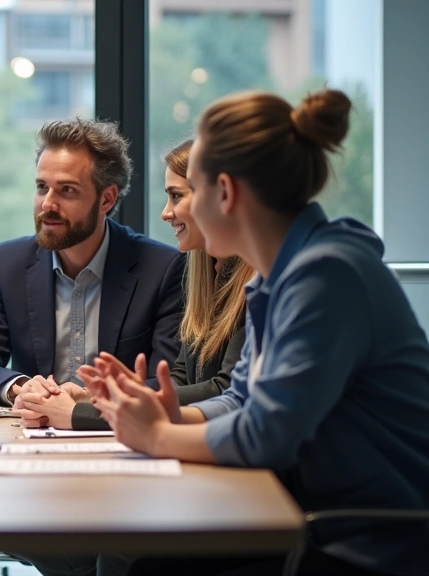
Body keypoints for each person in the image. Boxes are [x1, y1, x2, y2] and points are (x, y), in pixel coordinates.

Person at [89, 89, 429, 576]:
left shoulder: (326, 275)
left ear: (225, 193)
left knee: (137, 559)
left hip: (360, 541)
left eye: (191, 192)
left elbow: (267, 434)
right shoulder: (277, 280)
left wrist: (160, 437)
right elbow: (241, 400)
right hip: (306, 514)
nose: (174, 212)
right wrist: (174, 416)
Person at [0, 118, 183, 576]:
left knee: (108, 548)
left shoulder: (163, 268)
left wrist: (83, 399)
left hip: (121, 455)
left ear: (107, 199)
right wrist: (19, 388)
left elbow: (168, 376)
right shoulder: (8, 261)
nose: (48, 205)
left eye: (67, 191)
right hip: (32, 462)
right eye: (41, 187)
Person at [16, 139, 253, 430]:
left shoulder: (256, 282)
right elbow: (181, 378)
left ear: (222, 197)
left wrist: (83, 414)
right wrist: (93, 397)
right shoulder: (206, 273)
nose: (166, 213)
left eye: (176, 196)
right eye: (41, 187)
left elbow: (225, 391)